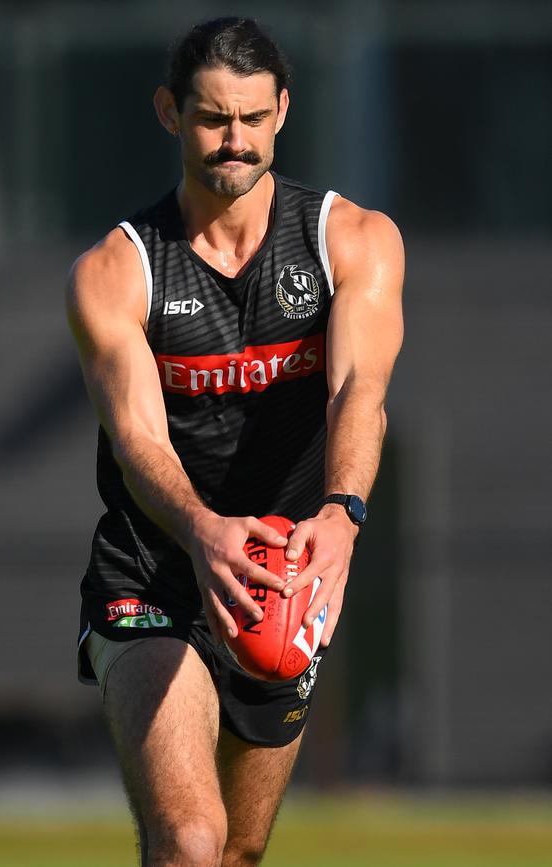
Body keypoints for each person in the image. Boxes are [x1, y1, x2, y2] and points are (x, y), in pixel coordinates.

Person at [66, 17, 404, 867]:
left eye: (253, 119)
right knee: (190, 840)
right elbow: (138, 435)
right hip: (157, 570)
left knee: (240, 852)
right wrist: (202, 529)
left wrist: (344, 511)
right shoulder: (117, 271)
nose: (235, 141)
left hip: (282, 578)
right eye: (214, 118)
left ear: (283, 111)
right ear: (169, 113)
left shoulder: (353, 242)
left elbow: (361, 389)